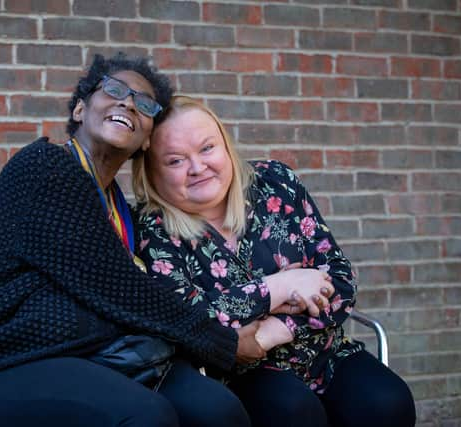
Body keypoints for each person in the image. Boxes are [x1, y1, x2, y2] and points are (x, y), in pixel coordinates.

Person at [0, 54, 268, 427]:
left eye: (144, 103)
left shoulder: (118, 206)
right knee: (147, 417)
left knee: (218, 410)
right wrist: (222, 342)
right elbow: (122, 289)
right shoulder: (44, 168)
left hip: (87, 357)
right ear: (81, 109)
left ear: (147, 139)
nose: (128, 102)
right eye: (113, 90)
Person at [133, 95, 416, 427]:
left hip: (324, 350)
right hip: (240, 371)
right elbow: (189, 320)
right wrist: (278, 287)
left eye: (207, 148)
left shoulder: (274, 181)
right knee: (292, 412)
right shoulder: (154, 228)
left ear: (225, 145)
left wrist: (272, 331)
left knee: (387, 403)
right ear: (153, 172)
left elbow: (339, 279)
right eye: (176, 160)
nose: (197, 168)